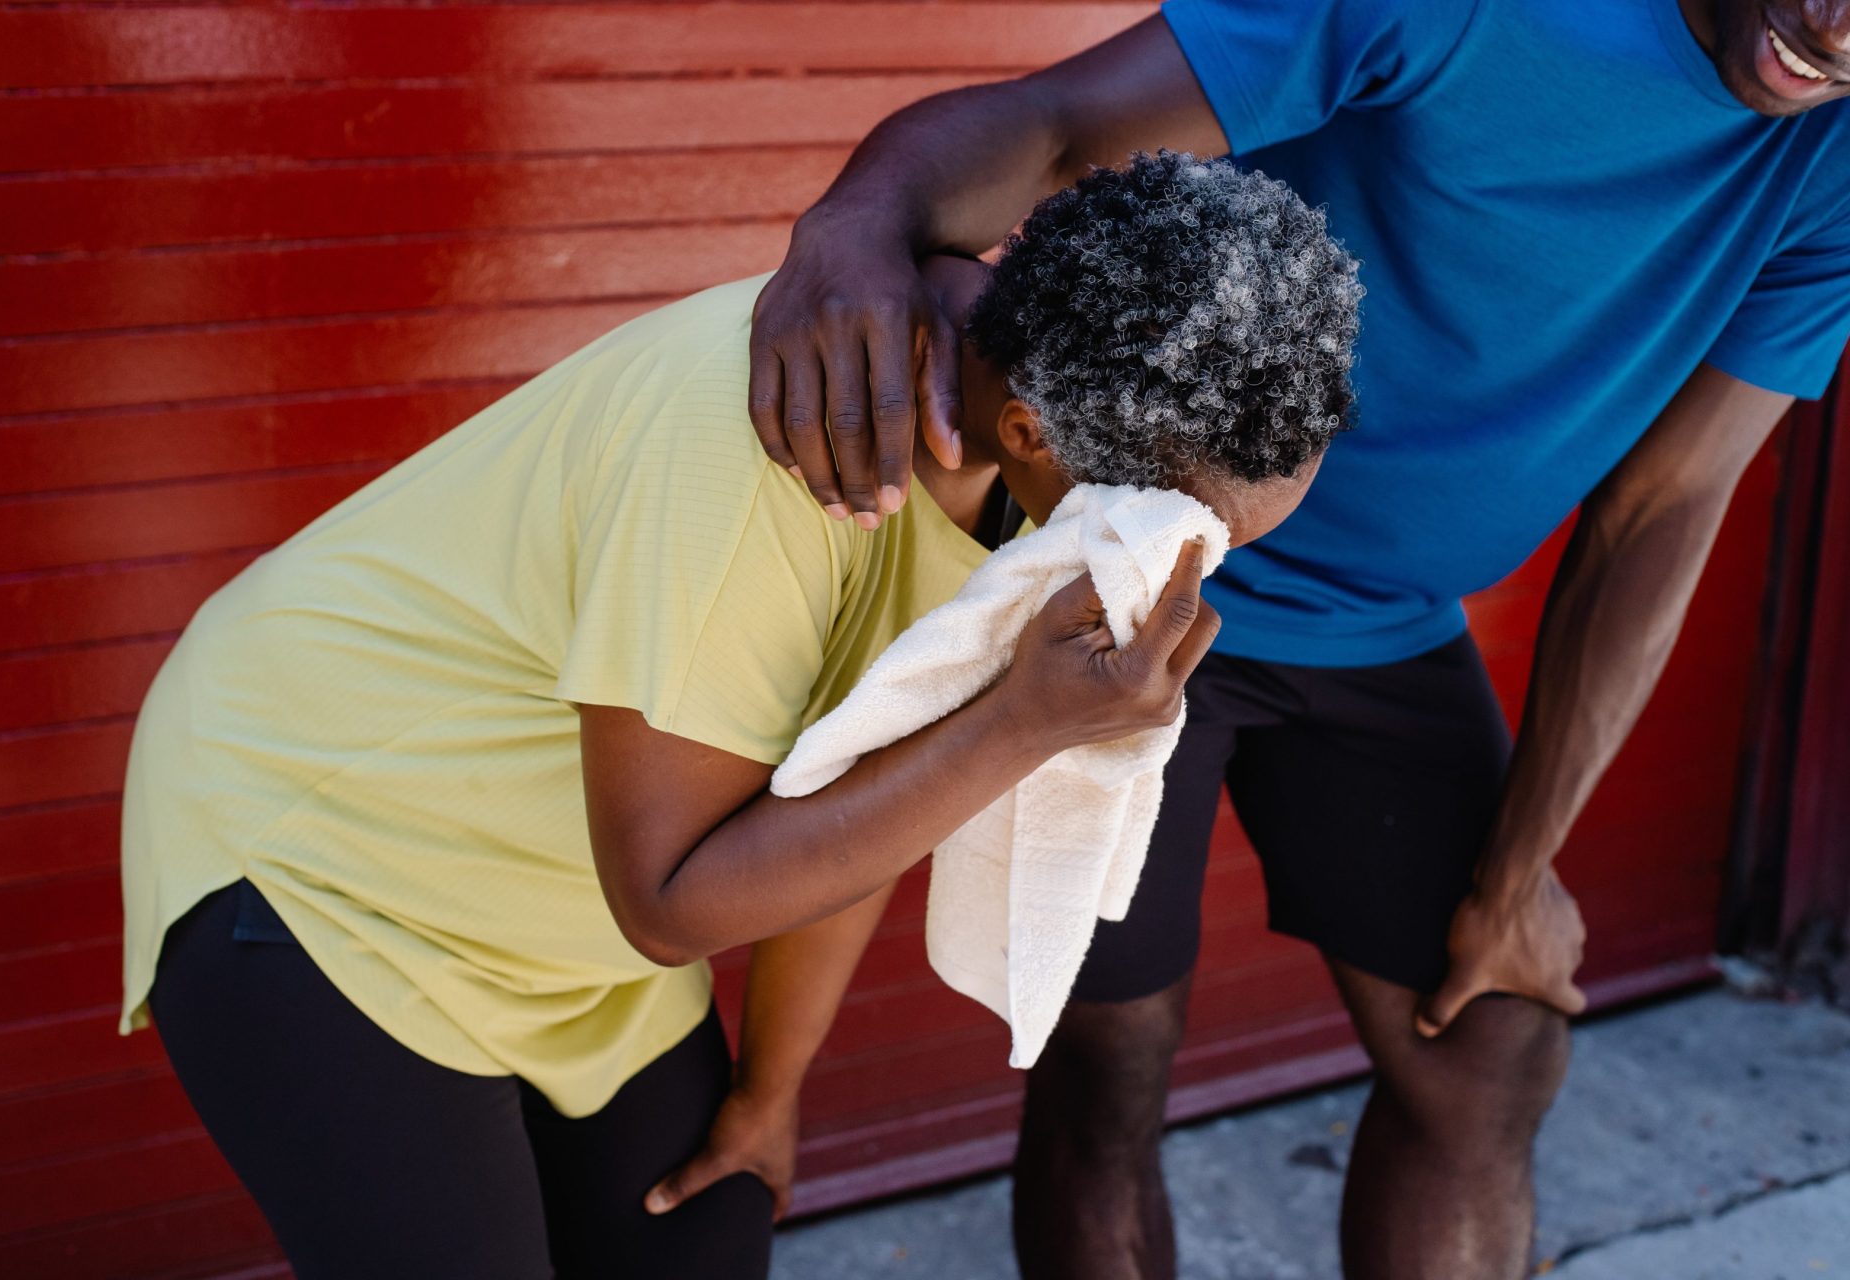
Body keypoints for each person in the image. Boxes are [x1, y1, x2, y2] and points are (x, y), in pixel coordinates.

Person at [746, 2, 1850, 1277]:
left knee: (1490, 1044)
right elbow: (1054, 130)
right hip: (1130, 580)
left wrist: (1520, 869)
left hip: (1384, 626)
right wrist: (853, 225)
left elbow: (1664, 505)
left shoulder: (1828, 166)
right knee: (1110, 1051)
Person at [117, 153, 1361, 1279]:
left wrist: (770, 1084)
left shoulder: (1016, 489)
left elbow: (855, 790)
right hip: (327, 863)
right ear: (1033, 430)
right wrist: (1021, 726)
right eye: (1193, 534)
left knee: (705, 1242)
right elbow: (670, 903)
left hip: (565, 917)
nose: (1195, 576)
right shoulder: (774, 448)